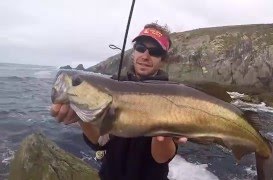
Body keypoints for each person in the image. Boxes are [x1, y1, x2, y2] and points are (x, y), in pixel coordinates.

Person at [50, 22, 187, 180]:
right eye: (141, 48)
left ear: (162, 60)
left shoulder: (174, 97)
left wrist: (162, 137)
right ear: (134, 52)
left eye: (154, 52)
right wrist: (82, 117)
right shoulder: (110, 86)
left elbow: (161, 158)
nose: (145, 55)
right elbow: (100, 142)